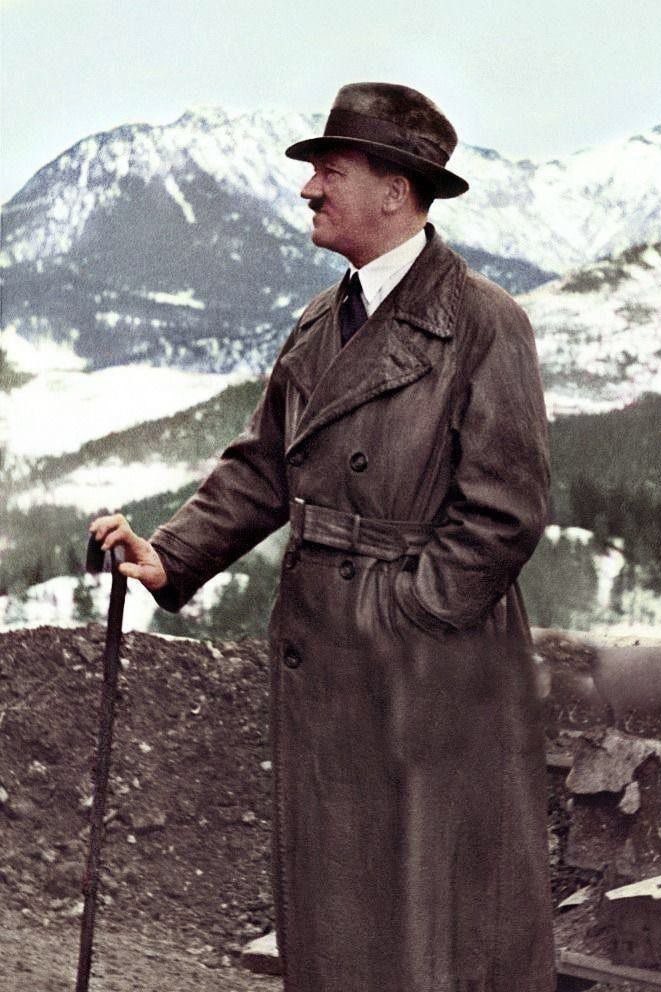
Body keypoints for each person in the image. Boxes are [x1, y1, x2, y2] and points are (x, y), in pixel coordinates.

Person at [91, 82, 555, 992]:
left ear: (395, 190)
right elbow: (265, 464)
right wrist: (172, 554)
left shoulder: (483, 321)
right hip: (328, 646)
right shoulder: (319, 319)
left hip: (430, 660)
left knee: (435, 905)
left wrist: (408, 613)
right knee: (339, 900)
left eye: (329, 172)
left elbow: (505, 512)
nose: (308, 189)